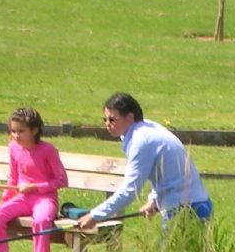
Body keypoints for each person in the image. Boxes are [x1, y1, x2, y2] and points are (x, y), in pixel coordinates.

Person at [75, 93, 212, 231]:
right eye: (105, 119)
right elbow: (165, 172)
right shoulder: (146, 130)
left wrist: (94, 216)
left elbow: (130, 190)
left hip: (186, 208)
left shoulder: (141, 141)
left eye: (112, 119)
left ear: (129, 117)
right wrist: (154, 200)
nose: (107, 124)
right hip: (194, 203)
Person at [0, 107, 68, 252]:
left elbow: (62, 180)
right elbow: (13, 179)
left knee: (41, 220)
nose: (16, 135)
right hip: (22, 197)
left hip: (44, 199)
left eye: (21, 131)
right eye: (13, 131)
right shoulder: (13, 148)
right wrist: (3, 202)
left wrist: (36, 187)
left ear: (35, 130)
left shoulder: (48, 150)